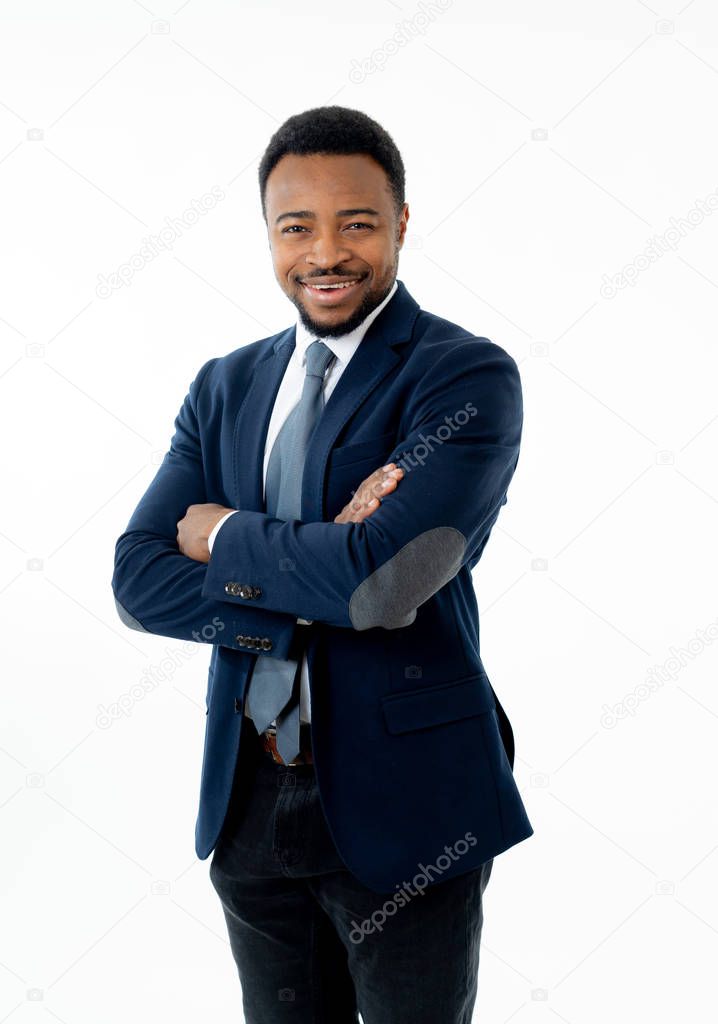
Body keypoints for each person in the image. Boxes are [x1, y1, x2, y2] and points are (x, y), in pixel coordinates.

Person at [112, 104, 534, 1023]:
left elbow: (384, 584)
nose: (325, 252)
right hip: (250, 797)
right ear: (268, 234)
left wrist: (226, 533)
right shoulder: (225, 384)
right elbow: (139, 580)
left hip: (409, 803)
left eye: (357, 222)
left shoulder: (461, 379)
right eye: (296, 226)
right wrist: (315, 579)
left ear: (401, 224)